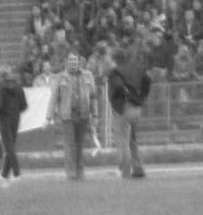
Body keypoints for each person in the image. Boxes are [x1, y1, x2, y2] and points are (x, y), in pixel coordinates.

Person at [46, 51, 97, 180]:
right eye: (70, 60)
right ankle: (70, 172)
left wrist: (95, 115)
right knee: (69, 145)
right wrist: (48, 116)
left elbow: (93, 96)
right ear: (66, 62)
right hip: (68, 115)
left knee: (80, 144)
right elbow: (53, 98)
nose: (73, 62)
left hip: (83, 114)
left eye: (75, 60)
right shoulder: (59, 77)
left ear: (79, 61)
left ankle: (80, 171)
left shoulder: (87, 75)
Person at [107, 47, 150, 179]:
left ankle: (125, 172)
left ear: (115, 59)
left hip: (124, 107)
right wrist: (142, 97)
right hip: (137, 108)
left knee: (123, 142)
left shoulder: (115, 72)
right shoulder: (136, 67)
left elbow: (119, 86)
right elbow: (147, 79)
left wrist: (126, 94)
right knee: (132, 140)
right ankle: (138, 168)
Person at [0, 65, 26, 185]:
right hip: (15, 118)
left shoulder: (0, 87)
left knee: (9, 147)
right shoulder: (18, 86)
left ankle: (17, 173)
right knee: (10, 146)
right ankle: (4, 174)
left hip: (4, 119)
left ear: (0, 75)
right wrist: (15, 111)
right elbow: (24, 104)